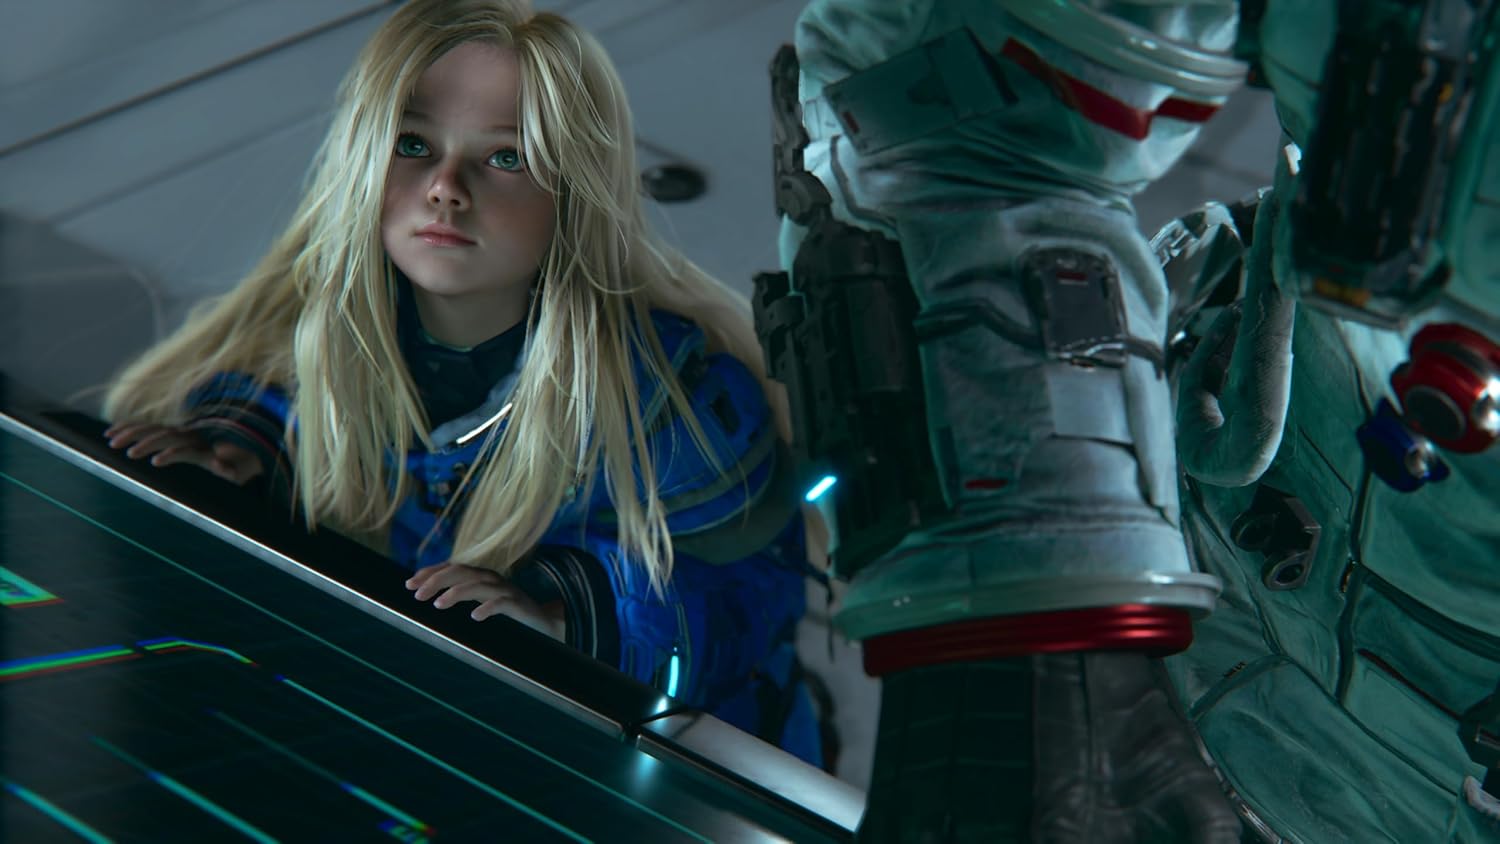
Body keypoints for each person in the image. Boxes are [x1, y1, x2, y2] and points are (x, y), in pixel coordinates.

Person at [100, 0, 823, 767]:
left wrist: (567, 622)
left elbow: (743, 608)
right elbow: (277, 386)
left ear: (574, 190)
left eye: (505, 157)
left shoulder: (674, 403)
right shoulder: (322, 330)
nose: (445, 187)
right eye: (413, 144)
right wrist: (237, 456)